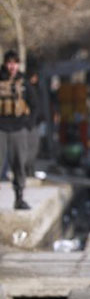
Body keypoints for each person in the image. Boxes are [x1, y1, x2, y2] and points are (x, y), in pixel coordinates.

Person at [0, 50, 36, 210]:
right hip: (1, 128)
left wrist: (27, 124)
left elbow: (35, 104)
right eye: (9, 63)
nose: (12, 66)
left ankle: (19, 198)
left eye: (14, 63)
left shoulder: (24, 82)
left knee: (19, 164)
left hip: (18, 129)